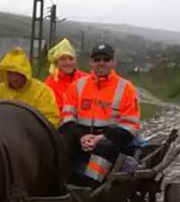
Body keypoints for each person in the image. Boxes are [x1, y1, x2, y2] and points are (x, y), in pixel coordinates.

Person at [60, 43, 142, 187]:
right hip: (81, 136)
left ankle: (91, 188)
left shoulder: (127, 88)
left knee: (105, 146)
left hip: (110, 139)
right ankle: (59, 183)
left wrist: (101, 138)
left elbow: (130, 125)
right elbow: (67, 117)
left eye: (106, 59)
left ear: (113, 62)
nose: (101, 63)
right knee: (60, 142)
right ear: (91, 62)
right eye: (97, 59)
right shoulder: (77, 86)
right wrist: (81, 137)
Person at [0, 47, 60, 127]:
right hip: (1, 136)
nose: (14, 78)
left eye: (18, 74)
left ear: (26, 74)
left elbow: (51, 119)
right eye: (10, 73)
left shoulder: (42, 92)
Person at [44, 38, 88, 115]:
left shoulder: (87, 79)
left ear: (75, 61)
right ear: (56, 63)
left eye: (71, 59)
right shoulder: (49, 84)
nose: (67, 63)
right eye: (63, 59)